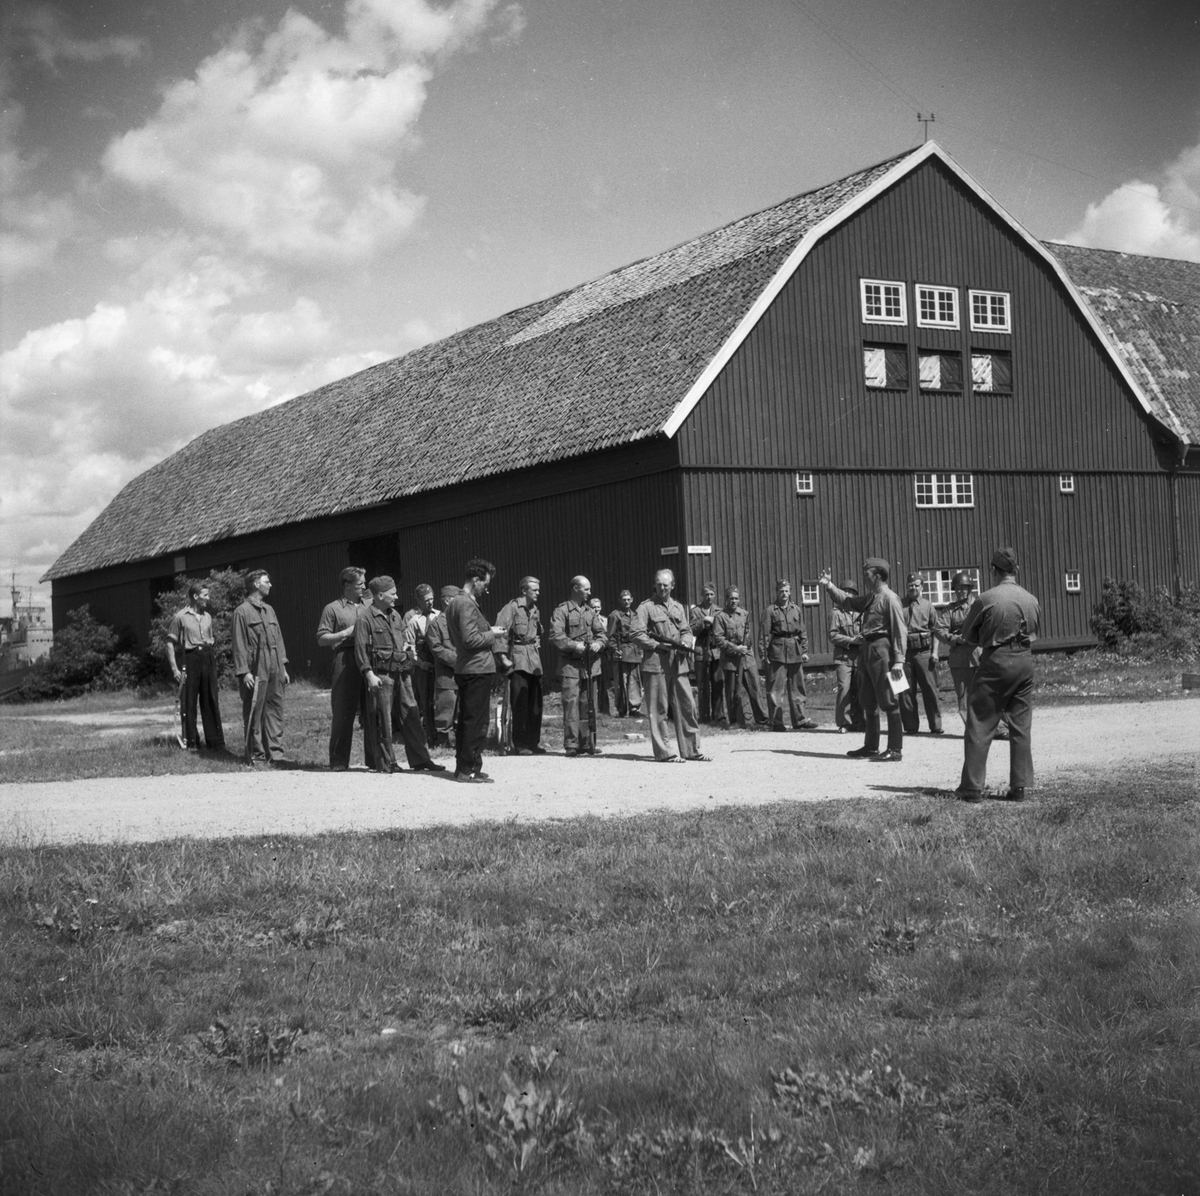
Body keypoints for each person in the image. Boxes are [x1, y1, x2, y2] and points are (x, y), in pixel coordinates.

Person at [955, 548, 1041, 803]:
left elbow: (967, 635)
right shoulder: (1031, 599)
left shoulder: (986, 599)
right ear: (1016, 570)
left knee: (980, 721)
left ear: (993, 570)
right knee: (1021, 726)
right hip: (1024, 661)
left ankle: (972, 788)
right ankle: (1020, 787)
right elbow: (1035, 631)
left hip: (995, 660)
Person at [354, 576, 446, 775]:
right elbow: (360, 650)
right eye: (393, 594)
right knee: (383, 719)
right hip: (381, 675)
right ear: (380, 596)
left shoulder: (395, 615)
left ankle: (421, 759)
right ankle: (387, 763)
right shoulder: (365, 618)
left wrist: (408, 650)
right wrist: (369, 674)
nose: (397, 597)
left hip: (402, 674)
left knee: (411, 714)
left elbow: (404, 639)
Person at [818, 558, 907, 762]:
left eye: (867, 575)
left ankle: (895, 749)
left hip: (884, 652)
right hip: (867, 650)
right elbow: (848, 602)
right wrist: (829, 585)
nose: (864, 579)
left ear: (878, 576)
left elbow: (900, 630)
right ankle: (871, 747)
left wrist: (899, 660)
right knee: (868, 700)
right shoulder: (871, 598)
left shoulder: (890, 599)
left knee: (891, 699)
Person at [631, 569, 710, 763]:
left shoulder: (678, 607)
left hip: (678, 663)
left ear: (672, 585)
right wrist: (657, 645)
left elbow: (686, 630)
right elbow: (636, 634)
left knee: (687, 706)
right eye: (659, 584)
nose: (662, 587)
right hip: (656, 664)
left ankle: (691, 750)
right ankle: (664, 752)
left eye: (666, 584)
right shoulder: (646, 607)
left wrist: (685, 642)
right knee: (659, 710)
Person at [446, 559, 505, 783]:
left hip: (466, 667)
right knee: (476, 721)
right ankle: (468, 769)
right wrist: (493, 634)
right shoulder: (466, 603)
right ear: (475, 580)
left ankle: (465, 766)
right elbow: (470, 639)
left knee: (467, 719)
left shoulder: (455, 602)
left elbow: (460, 638)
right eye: (485, 584)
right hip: (477, 667)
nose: (485, 589)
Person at [316, 567, 373, 771]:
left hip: (369, 657)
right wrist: (346, 633)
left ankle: (375, 759)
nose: (364, 586)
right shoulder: (332, 609)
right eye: (359, 583)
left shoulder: (370, 606)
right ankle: (339, 761)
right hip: (345, 659)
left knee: (372, 709)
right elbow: (322, 638)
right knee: (343, 711)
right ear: (346, 585)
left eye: (364, 582)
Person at [231, 568, 289, 766]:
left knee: (275, 707)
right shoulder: (241, 612)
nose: (270, 585)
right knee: (255, 709)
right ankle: (256, 754)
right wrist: (244, 672)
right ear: (256, 584)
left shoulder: (269, 610)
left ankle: (276, 754)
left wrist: (283, 666)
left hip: (274, 662)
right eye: (266, 582)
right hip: (256, 665)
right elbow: (239, 643)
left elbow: (279, 639)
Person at [550, 576, 608, 756]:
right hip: (570, 666)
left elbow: (602, 634)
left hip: (589, 666)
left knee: (588, 704)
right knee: (571, 704)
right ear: (576, 588)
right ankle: (572, 744)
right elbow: (555, 636)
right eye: (586, 589)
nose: (589, 593)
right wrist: (575, 645)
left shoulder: (590, 612)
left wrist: (599, 643)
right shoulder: (562, 611)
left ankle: (587, 742)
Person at [166, 582, 225, 752]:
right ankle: (191, 741)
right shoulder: (180, 617)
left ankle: (215, 742)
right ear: (195, 596)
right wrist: (175, 669)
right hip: (190, 658)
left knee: (210, 699)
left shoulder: (208, 617)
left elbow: (210, 639)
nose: (208, 598)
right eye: (205, 595)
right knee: (189, 701)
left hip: (207, 657)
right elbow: (169, 643)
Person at [759, 579, 818, 731]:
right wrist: (764, 655)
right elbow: (764, 635)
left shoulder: (796, 609)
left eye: (786, 591)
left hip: (794, 649)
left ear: (790, 592)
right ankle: (776, 722)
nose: (784, 594)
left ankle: (800, 720)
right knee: (776, 688)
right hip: (777, 650)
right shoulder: (770, 611)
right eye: (781, 591)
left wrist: (804, 651)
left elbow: (802, 632)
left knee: (798, 687)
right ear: (776, 592)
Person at [496, 577, 545, 755]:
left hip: (534, 660)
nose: (538, 592)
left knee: (536, 704)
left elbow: (537, 632)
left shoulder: (535, 609)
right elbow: (500, 632)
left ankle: (533, 742)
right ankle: (521, 743)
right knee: (520, 703)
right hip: (518, 659)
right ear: (524, 590)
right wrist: (503, 658)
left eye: (538, 589)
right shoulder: (511, 608)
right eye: (534, 589)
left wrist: (537, 641)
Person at [711, 585, 768, 727]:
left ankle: (762, 720)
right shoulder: (720, 617)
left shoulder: (744, 614)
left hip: (747, 657)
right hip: (730, 659)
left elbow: (747, 634)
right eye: (731, 598)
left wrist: (745, 645)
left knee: (755, 688)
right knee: (732, 691)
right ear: (726, 599)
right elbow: (718, 639)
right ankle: (736, 721)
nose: (734, 601)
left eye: (736, 598)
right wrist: (735, 648)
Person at [899, 574, 944, 735]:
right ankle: (910, 726)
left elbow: (936, 631)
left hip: (924, 653)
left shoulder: (928, 606)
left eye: (916, 585)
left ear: (922, 587)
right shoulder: (899, 605)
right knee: (903, 690)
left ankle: (936, 725)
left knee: (931, 689)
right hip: (903, 654)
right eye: (910, 585)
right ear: (907, 586)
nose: (913, 588)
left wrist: (935, 652)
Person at [828, 578, 865, 734]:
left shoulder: (862, 612)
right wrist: (851, 640)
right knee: (845, 689)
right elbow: (833, 636)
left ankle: (861, 721)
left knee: (861, 689)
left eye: (851, 592)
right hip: (843, 657)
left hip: (860, 657)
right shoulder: (836, 613)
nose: (848, 595)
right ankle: (844, 723)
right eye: (845, 592)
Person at [424, 586, 460, 747]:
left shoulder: (462, 621)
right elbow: (437, 650)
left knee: (462, 711)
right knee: (445, 711)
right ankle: (443, 743)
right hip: (446, 677)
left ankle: (460, 742)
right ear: (447, 601)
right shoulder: (436, 625)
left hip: (464, 675)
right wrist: (459, 660)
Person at [403, 584, 437, 743]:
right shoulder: (414, 621)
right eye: (426, 600)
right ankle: (429, 735)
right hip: (422, 666)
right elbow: (409, 648)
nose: (430, 602)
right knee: (425, 700)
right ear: (418, 601)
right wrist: (420, 663)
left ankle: (442, 732)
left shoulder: (440, 616)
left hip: (439, 663)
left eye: (432, 598)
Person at [690, 581, 724, 724]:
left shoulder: (719, 611)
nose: (709, 597)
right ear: (702, 596)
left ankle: (719, 716)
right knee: (703, 685)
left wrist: (714, 623)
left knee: (717, 683)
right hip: (701, 651)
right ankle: (704, 716)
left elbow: (723, 629)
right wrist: (703, 622)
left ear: (714, 595)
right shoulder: (696, 611)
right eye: (706, 594)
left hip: (716, 651)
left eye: (711, 594)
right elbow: (692, 630)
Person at [606, 590, 643, 716]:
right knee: (621, 682)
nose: (626, 602)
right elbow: (610, 636)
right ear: (619, 601)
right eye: (624, 599)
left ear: (632, 600)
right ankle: (621, 708)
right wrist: (614, 649)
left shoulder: (635, 615)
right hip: (621, 651)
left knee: (635, 681)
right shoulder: (615, 615)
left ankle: (634, 708)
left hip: (634, 651)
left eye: (628, 599)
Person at [588, 596, 612, 714]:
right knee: (592, 681)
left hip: (604, 654)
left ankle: (604, 709)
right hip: (592, 654)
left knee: (604, 682)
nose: (596, 609)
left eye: (598, 607)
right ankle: (592, 708)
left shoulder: (605, 621)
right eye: (593, 607)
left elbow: (609, 637)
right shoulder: (587, 620)